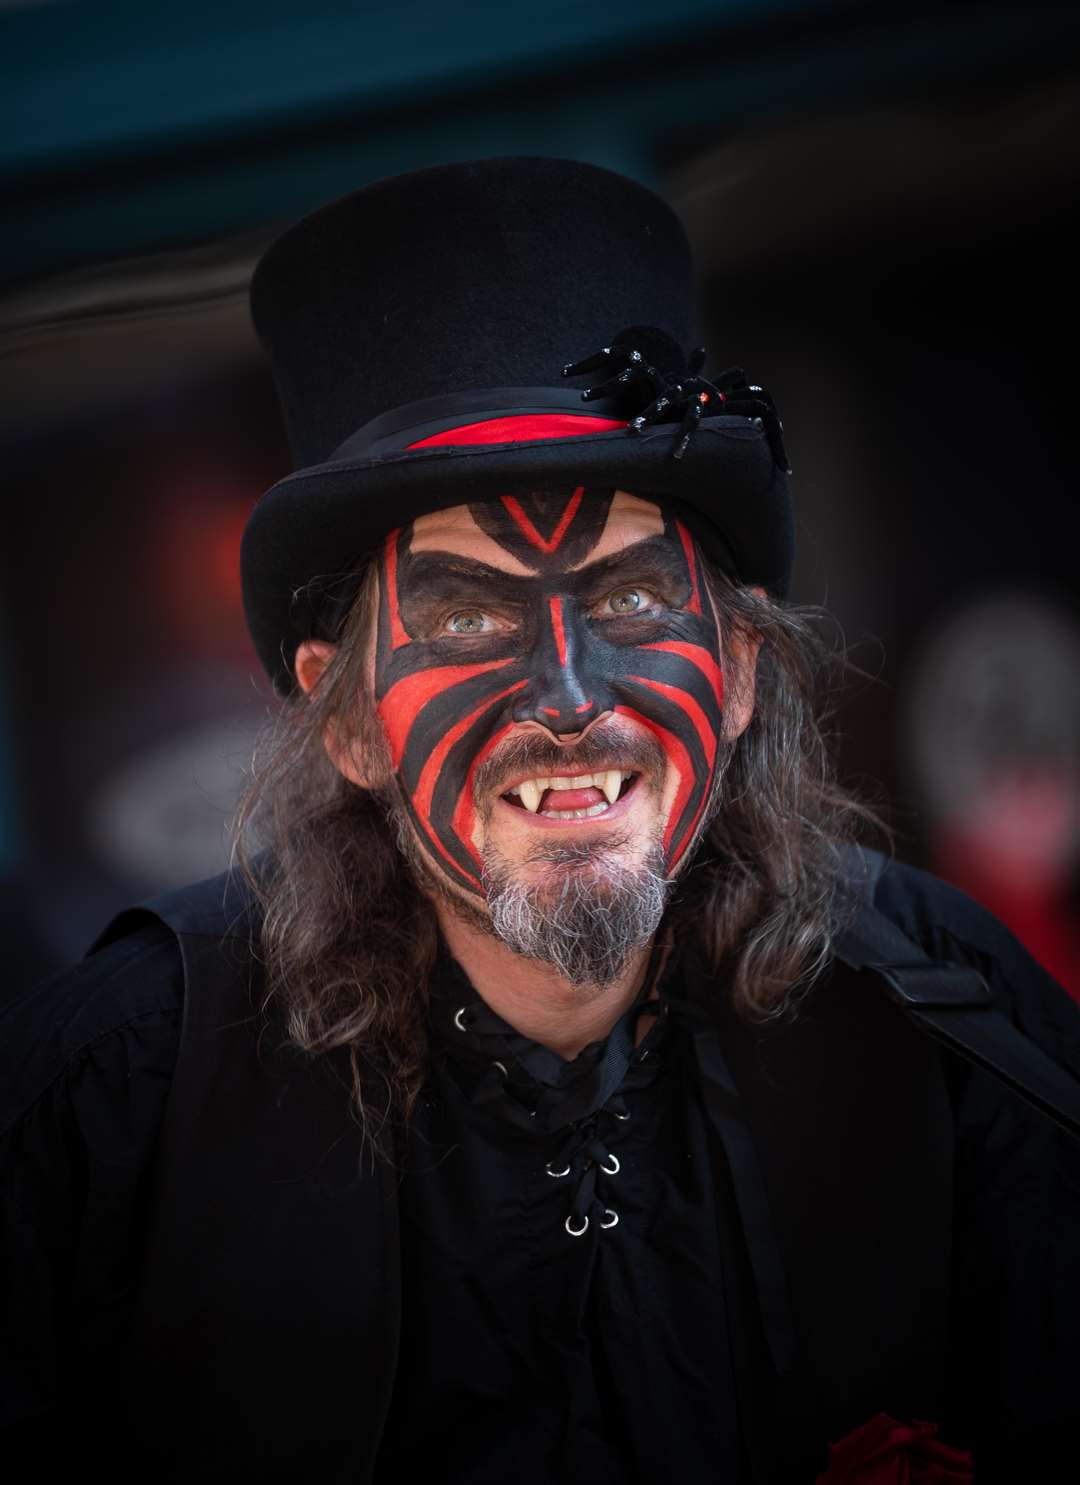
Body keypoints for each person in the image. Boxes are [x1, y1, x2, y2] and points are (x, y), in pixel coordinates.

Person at [3, 157, 1079, 1484]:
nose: (570, 699)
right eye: (464, 615)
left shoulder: (950, 1027)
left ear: (737, 670)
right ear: (346, 721)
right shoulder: (114, 1102)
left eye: (632, 601)